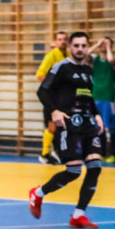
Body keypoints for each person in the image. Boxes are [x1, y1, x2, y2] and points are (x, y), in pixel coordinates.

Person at [28, 31, 105, 229]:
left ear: (87, 48)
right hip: (69, 124)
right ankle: (37, 194)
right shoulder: (61, 67)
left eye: (83, 46)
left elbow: (88, 97)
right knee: (73, 171)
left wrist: (96, 115)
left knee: (95, 167)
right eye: (76, 45)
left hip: (88, 124)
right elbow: (42, 90)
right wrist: (54, 111)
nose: (80, 49)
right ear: (70, 47)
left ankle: (78, 215)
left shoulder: (88, 70)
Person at [36, 31, 68, 165]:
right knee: (51, 125)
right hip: (51, 96)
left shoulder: (69, 55)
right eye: (59, 39)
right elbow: (40, 74)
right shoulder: (51, 55)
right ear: (55, 41)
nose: (62, 42)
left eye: (64, 39)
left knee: (60, 124)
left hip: (63, 96)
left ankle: (56, 152)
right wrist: (50, 88)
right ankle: (44, 154)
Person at [88, 36, 115, 163]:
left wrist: (107, 47)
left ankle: (113, 153)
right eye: (102, 44)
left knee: (111, 127)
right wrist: (97, 43)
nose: (103, 46)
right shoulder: (95, 61)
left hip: (108, 98)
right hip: (96, 97)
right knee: (98, 126)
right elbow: (86, 54)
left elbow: (111, 60)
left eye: (106, 44)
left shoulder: (114, 61)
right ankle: (101, 152)